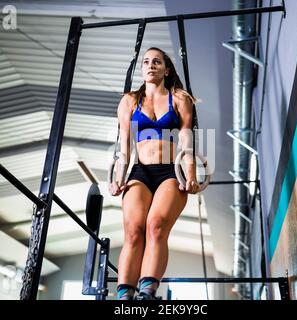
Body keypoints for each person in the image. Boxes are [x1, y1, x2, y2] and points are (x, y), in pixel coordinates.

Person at [108, 47, 200, 300]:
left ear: (166, 69)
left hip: (170, 172)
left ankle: (147, 291)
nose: (150, 65)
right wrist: (118, 178)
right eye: (146, 61)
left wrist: (191, 174)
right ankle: (125, 295)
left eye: (157, 62)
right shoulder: (129, 101)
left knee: (156, 226)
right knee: (134, 229)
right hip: (140, 172)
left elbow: (187, 141)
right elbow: (124, 144)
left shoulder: (180, 98)